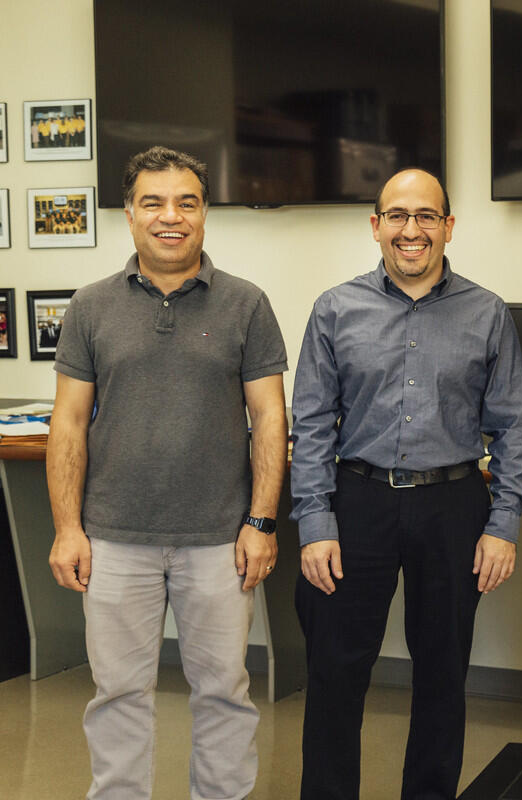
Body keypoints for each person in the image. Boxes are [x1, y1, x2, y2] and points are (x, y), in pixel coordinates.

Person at [46, 145, 289, 800]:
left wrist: (261, 522)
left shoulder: (247, 305)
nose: (170, 216)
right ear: (130, 215)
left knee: (224, 695)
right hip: (114, 540)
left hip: (218, 542)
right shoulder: (91, 307)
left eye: (186, 201)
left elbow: (270, 419)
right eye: (153, 202)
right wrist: (68, 528)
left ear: (205, 213)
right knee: (118, 695)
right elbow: (67, 424)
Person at [290, 168, 522, 800]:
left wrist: (502, 525)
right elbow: (312, 425)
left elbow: (512, 429)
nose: (411, 230)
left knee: (442, 675)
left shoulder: (487, 313)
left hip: (453, 503)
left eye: (426, 216)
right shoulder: (335, 309)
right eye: (397, 216)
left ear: (448, 228)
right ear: (376, 226)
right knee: (335, 674)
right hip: (357, 502)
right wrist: (314, 524)